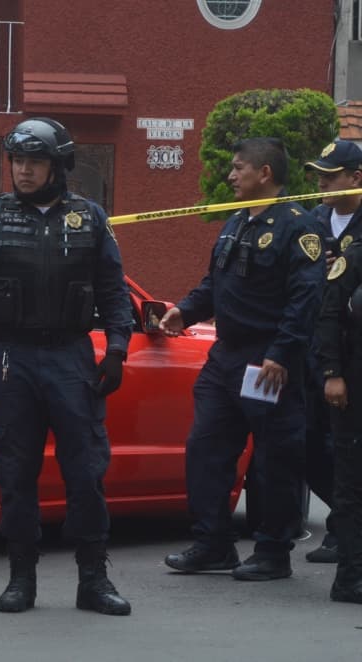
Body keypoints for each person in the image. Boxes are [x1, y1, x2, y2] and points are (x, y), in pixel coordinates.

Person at [0, 117, 133, 616]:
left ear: (57, 166)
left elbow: (114, 294)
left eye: (35, 162)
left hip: (71, 357)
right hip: (11, 360)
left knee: (86, 472)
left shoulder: (89, 218)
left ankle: (94, 578)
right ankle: (21, 577)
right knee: (15, 472)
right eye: (18, 161)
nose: (24, 171)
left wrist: (115, 351)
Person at [161, 137, 326, 580]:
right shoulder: (235, 223)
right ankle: (213, 543)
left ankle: (273, 552)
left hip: (269, 361)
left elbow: (305, 297)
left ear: (264, 173)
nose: (231, 176)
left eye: (239, 168)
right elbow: (213, 283)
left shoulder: (298, 226)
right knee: (205, 450)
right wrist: (185, 309)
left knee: (274, 459)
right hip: (226, 358)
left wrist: (282, 353)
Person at [301, 140, 362, 563]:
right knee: (306, 443)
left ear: (356, 179)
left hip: (352, 350)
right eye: (319, 174)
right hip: (313, 347)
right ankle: (342, 526)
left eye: (331, 175)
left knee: (349, 446)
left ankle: (345, 535)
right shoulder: (313, 220)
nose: (322, 181)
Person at [315, 225, 362, 603]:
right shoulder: (354, 258)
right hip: (353, 387)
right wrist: (333, 374)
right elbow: (328, 316)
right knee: (351, 487)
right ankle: (349, 579)